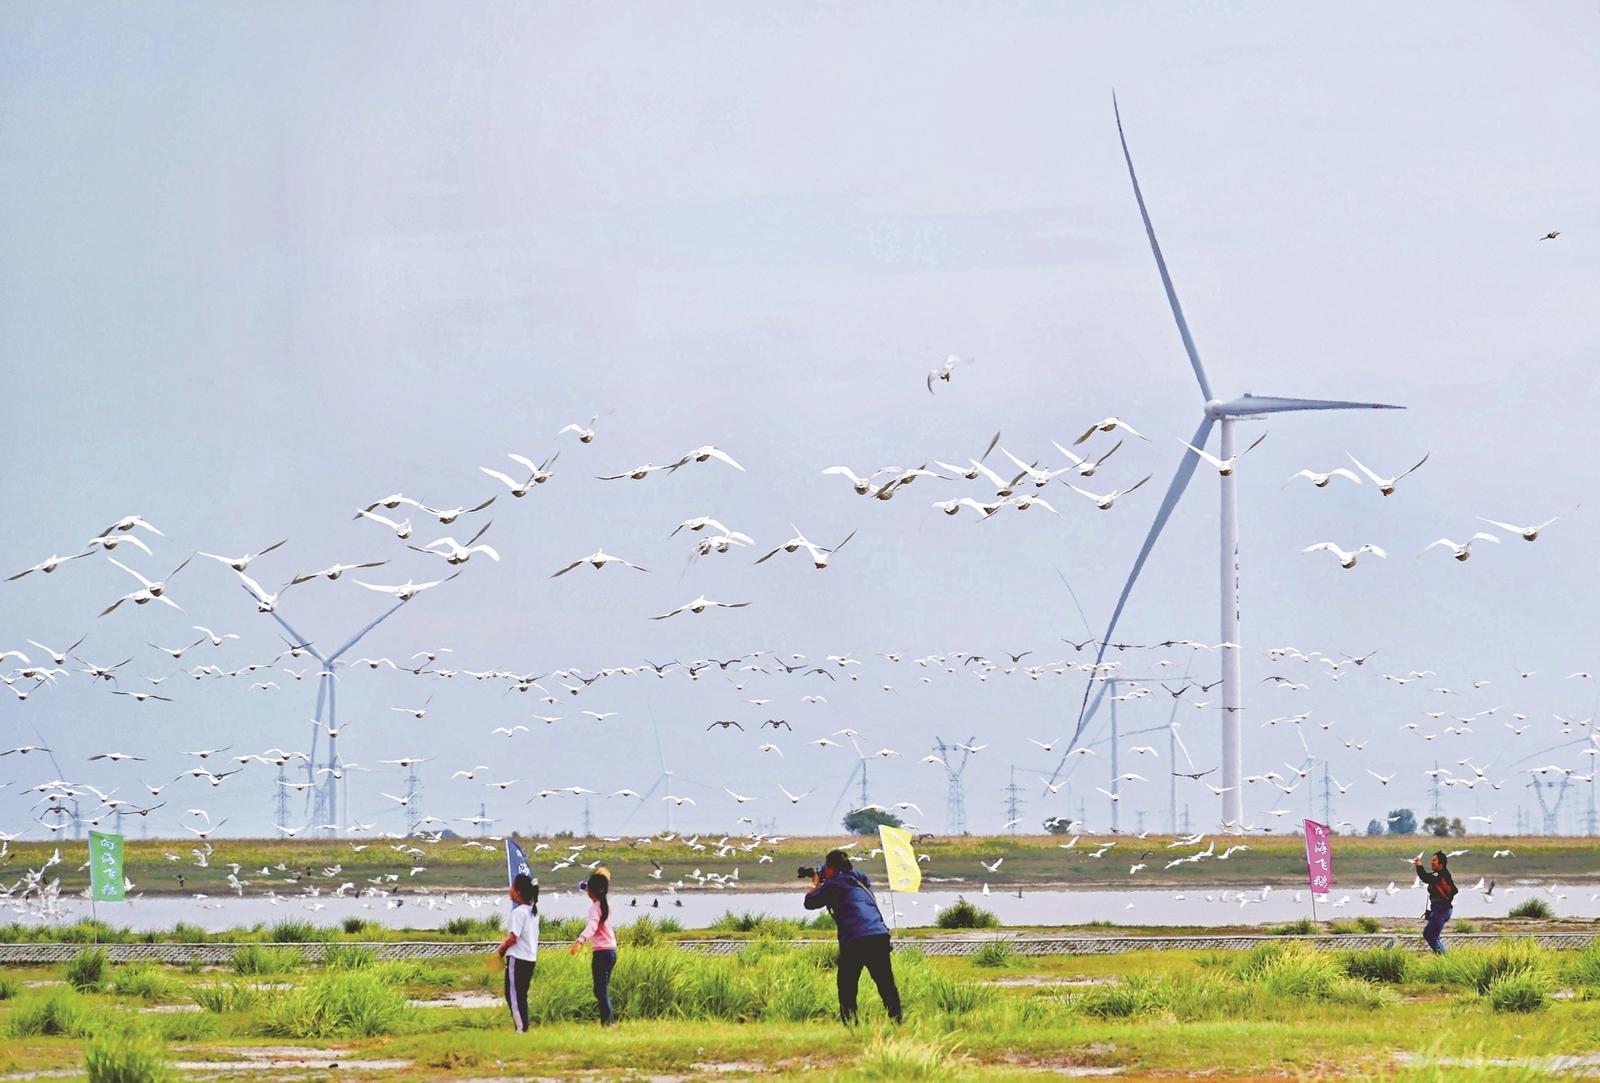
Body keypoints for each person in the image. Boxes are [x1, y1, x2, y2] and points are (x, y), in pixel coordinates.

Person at [803, 849, 903, 1025]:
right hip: (878, 935)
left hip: (855, 939)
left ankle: (850, 1024)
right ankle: (897, 1020)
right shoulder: (860, 878)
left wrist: (816, 883)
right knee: (886, 983)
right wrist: (824, 873)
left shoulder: (833, 884)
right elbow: (846, 879)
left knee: (847, 985)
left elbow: (810, 903)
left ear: (831, 869)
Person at [568, 867, 617, 1025]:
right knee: (602, 990)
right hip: (611, 952)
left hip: (602, 953)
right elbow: (587, 886)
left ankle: (608, 1024)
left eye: (588, 888)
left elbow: (592, 926)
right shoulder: (605, 905)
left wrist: (580, 940)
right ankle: (608, 1021)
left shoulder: (595, 908)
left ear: (592, 892)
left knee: (600, 990)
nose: (586, 891)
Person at [495, 873, 540, 1032]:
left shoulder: (518, 912)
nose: (510, 890)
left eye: (512, 887)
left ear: (518, 892)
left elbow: (514, 937)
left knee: (513, 995)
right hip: (530, 959)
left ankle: (521, 1029)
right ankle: (523, 1026)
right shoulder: (533, 911)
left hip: (517, 959)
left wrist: (500, 950)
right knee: (521, 994)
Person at [1415, 850, 1458, 954]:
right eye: (1431, 860)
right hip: (1439, 910)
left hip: (1441, 910)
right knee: (1428, 934)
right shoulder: (1440, 874)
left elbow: (1425, 877)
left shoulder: (1440, 874)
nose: (1432, 862)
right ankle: (1442, 958)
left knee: (1432, 935)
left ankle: (1445, 960)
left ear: (1441, 864)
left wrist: (1419, 866)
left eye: (1434, 860)